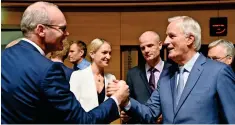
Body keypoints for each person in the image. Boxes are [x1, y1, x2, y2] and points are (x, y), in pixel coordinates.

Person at [1, 1, 129, 124]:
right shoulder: (49, 70)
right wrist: (117, 99)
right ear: (41, 30)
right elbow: (82, 122)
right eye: (62, 28)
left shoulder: (4, 56)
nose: (67, 33)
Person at [108, 16, 235, 124]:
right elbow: (149, 113)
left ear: (190, 39)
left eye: (171, 36)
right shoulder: (166, 76)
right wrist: (125, 100)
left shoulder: (218, 72)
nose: (166, 42)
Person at [121, 31, 171, 124]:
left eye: (150, 46)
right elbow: (129, 103)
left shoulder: (172, 70)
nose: (146, 50)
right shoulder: (132, 74)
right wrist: (125, 113)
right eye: (142, 48)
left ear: (160, 45)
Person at [70, 38, 116, 112]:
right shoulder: (77, 76)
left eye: (110, 53)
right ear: (92, 54)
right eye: (104, 52)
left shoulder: (111, 78)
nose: (108, 57)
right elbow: (73, 107)